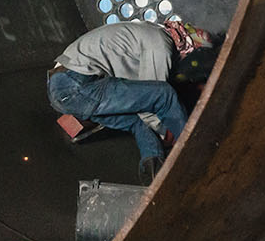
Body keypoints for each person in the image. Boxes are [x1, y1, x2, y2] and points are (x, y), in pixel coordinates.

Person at [47, 20, 220, 183]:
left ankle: (153, 170)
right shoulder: (160, 42)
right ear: (185, 43)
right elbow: (157, 97)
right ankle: (196, 154)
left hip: (65, 88)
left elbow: (139, 97)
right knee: (163, 94)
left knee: (135, 123)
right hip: (75, 84)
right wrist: (165, 132)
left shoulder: (142, 32)